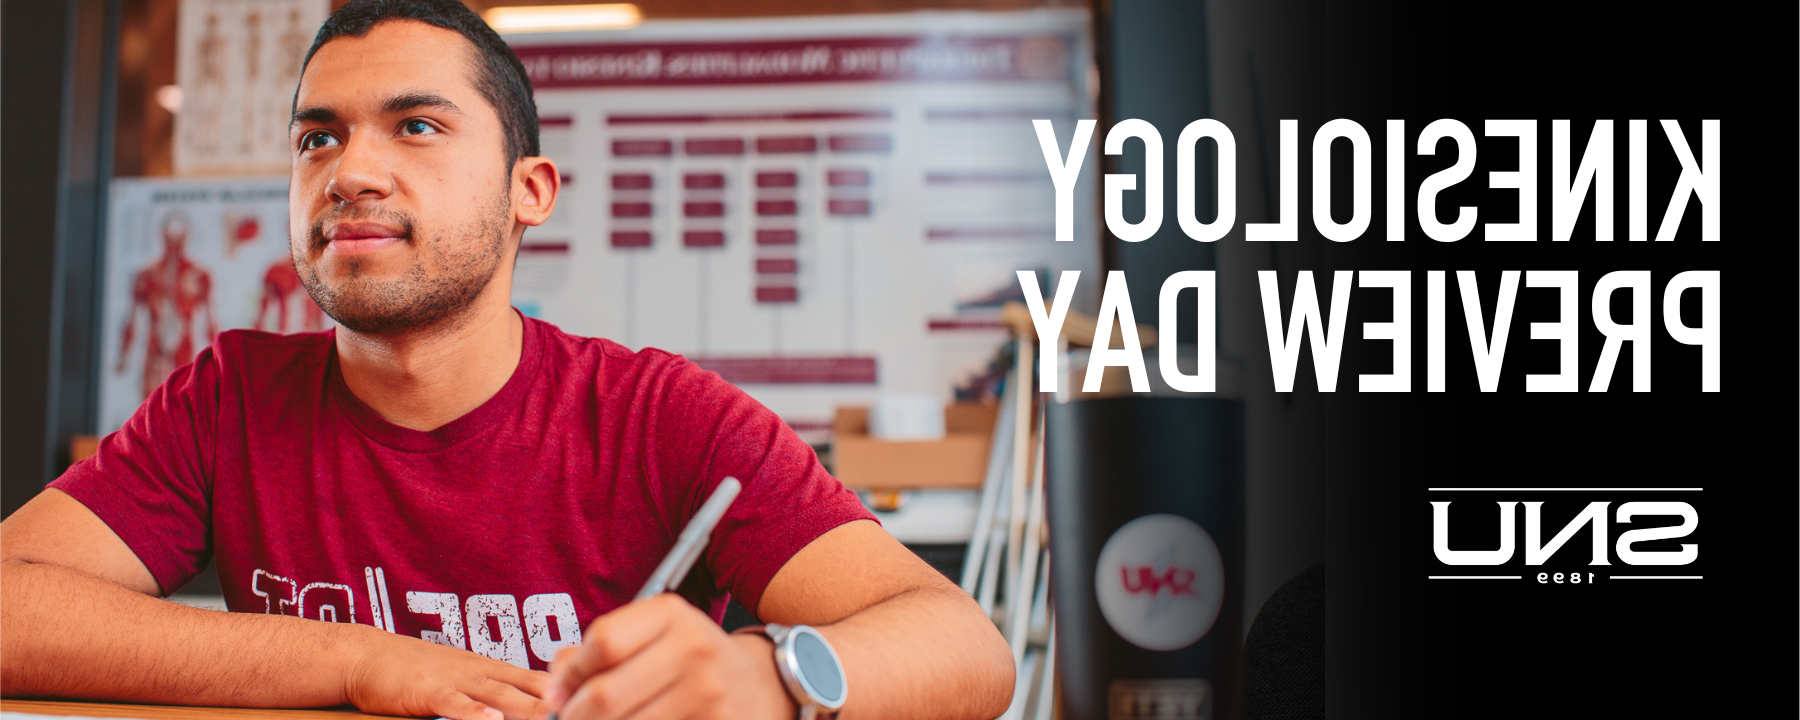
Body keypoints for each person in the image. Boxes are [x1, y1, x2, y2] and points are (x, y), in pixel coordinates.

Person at [0, 2, 1015, 719]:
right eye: (318, 138)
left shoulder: (658, 416)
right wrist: (359, 662)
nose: (350, 170)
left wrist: (775, 680)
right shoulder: (230, 400)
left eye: (416, 125)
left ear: (530, 190)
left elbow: (968, 651)